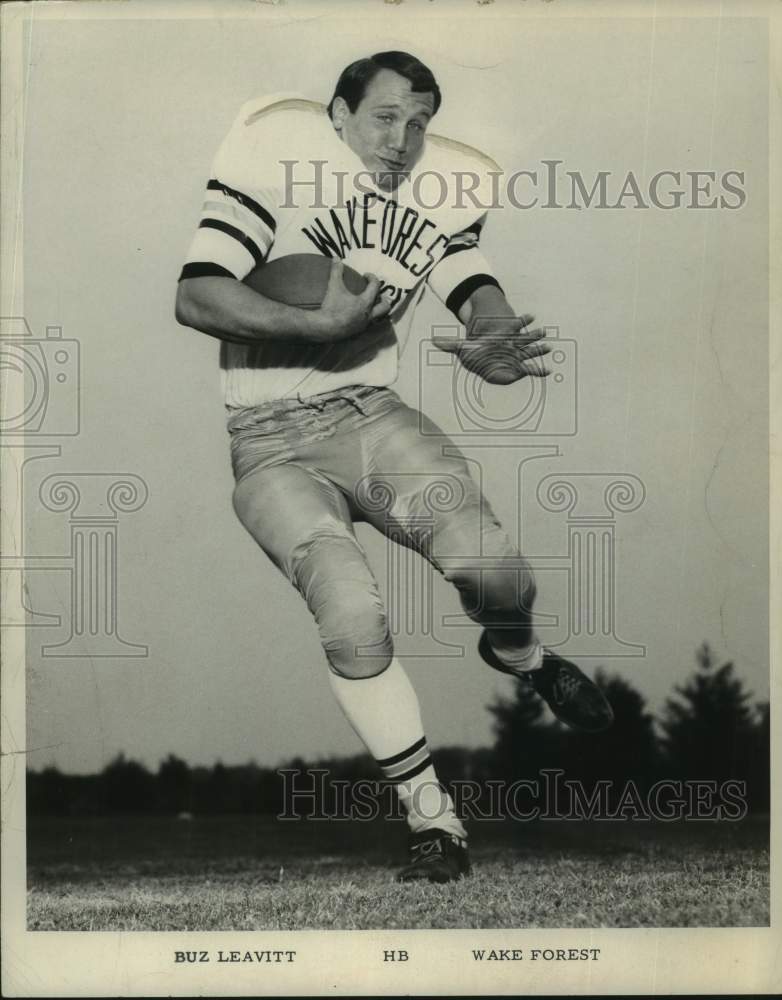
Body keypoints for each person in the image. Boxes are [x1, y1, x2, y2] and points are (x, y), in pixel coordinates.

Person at [175, 50, 613, 883]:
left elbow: (465, 273)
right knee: (349, 611)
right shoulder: (277, 168)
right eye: (384, 117)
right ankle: (432, 823)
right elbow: (194, 293)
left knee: (495, 573)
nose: (404, 139)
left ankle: (519, 657)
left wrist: (493, 338)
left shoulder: (434, 185)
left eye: (419, 121)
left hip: (371, 415)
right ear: (335, 116)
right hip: (268, 438)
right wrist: (317, 325)